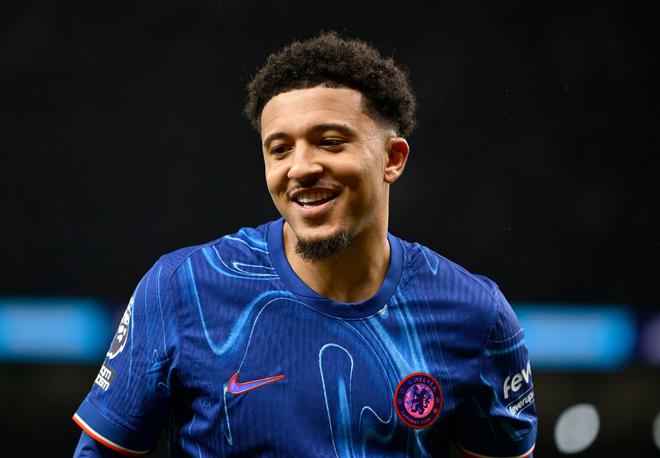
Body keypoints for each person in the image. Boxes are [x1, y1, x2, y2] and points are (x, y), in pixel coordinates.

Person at [73, 32, 537, 457]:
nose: (300, 168)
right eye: (280, 149)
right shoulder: (181, 288)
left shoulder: (476, 315)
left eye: (330, 142)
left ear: (393, 159)